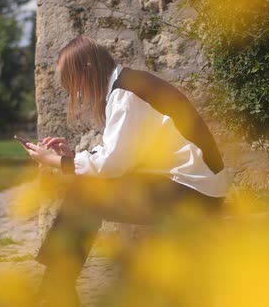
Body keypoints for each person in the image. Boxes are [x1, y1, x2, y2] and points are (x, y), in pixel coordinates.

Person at [23, 35, 230, 306]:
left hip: (194, 193)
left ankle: (54, 291)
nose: (79, 95)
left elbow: (113, 164)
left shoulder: (125, 93)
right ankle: (55, 288)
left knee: (84, 194)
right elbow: (121, 156)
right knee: (85, 189)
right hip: (191, 184)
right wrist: (71, 157)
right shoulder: (127, 85)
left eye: (76, 86)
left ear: (87, 69)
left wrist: (57, 163)